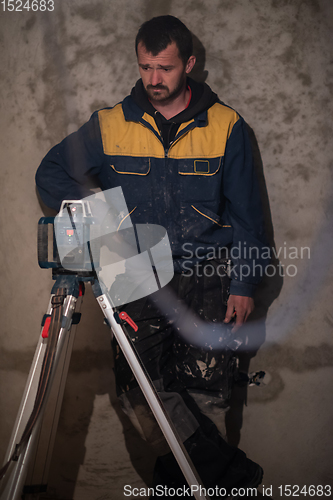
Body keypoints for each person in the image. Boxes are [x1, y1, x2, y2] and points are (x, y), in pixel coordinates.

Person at [36, 15, 269, 498]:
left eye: (163, 68)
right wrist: (110, 233)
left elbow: (250, 217)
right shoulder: (109, 124)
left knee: (207, 394)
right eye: (144, 67)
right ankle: (230, 479)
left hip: (208, 277)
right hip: (133, 273)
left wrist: (245, 285)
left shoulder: (228, 127)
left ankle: (191, 488)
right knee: (135, 392)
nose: (153, 80)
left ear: (189, 64)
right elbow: (53, 172)